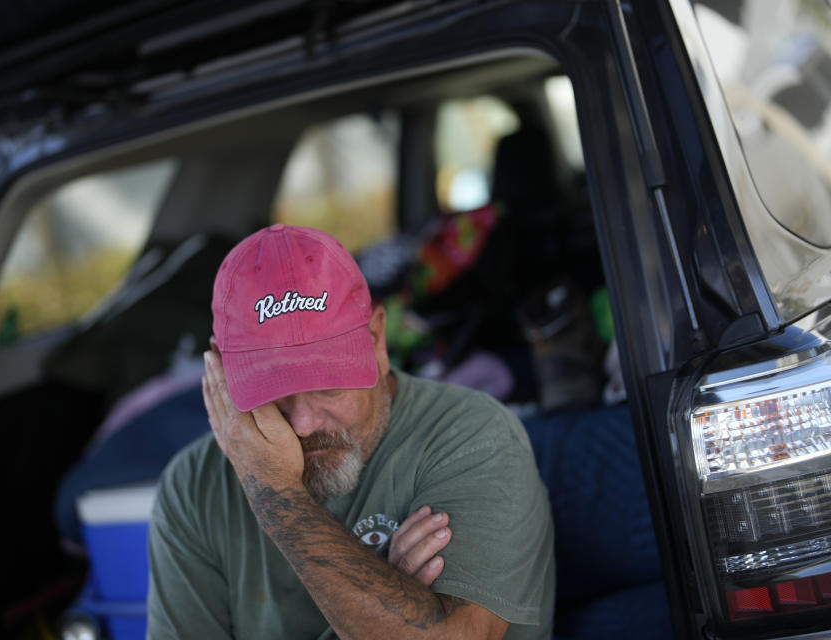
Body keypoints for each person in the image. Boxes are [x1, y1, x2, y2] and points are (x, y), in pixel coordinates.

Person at [146, 224, 554, 639]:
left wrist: (274, 492)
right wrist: (383, 607)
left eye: (329, 385)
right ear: (219, 371)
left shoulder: (471, 438)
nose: (304, 423)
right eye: (275, 397)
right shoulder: (194, 486)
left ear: (376, 340)